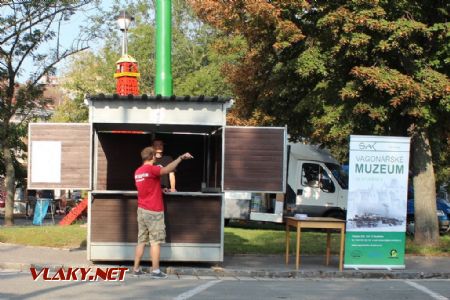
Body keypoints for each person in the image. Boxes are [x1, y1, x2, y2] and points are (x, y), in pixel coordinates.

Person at [133, 146, 193, 278]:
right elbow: (167, 169)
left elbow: (146, 188)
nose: (156, 157)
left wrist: (160, 191)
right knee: (155, 242)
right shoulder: (152, 169)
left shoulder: (138, 172)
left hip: (141, 210)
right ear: (151, 157)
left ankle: (136, 269)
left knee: (141, 240)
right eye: (154, 155)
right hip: (154, 211)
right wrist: (180, 158)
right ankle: (155, 271)